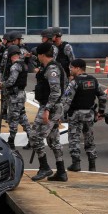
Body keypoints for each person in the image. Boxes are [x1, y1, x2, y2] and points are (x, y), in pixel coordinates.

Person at [29, 42, 68, 182]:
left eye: (37, 55)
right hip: (53, 107)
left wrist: (47, 109)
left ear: (41, 55)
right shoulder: (50, 67)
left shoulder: (52, 68)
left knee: (35, 137)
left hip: (50, 108)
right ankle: (61, 171)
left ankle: (44, 167)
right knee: (53, 140)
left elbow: (56, 92)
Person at [61, 59, 107, 172]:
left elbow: (66, 101)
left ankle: (76, 164)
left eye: (72, 67)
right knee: (89, 138)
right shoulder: (93, 80)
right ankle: (92, 165)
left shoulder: (74, 82)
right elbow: (102, 96)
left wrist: (61, 116)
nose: (70, 69)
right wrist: (101, 111)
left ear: (78, 68)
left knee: (74, 138)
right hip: (89, 114)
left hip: (75, 115)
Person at [0, 44, 28, 148]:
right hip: (21, 94)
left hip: (15, 96)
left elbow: (11, 81)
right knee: (22, 117)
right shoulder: (23, 64)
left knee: (13, 118)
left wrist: (2, 84)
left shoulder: (15, 66)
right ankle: (31, 138)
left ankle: (11, 141)